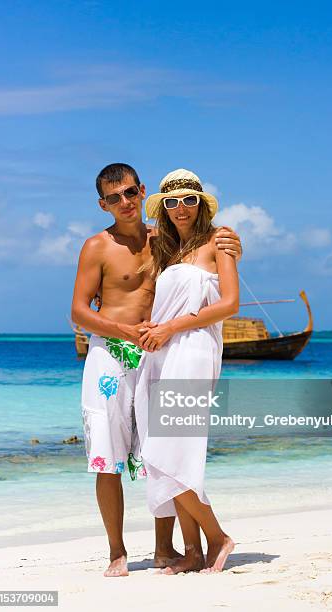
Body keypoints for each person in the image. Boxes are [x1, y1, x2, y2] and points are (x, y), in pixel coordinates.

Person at [71, 163, 242, 577]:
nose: (125, 202)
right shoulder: (97, 246)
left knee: (158, 450)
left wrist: (232, 244)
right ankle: (118, 551)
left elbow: (211, 267)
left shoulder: (163, 239)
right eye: (115, 198)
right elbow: (77, 311)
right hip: (113, 354)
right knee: (107, 456)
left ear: (141, 191)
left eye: (131, 193)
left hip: (159, 352)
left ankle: (169, 548)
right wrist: (121, 330)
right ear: (103, 204)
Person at [135, 169, 239, 574]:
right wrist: (151, 328)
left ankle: (218, 538)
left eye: (188, 200)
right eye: (172, 202)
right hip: (162, 351)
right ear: (164, 207)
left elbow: (229, 304)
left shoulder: (220, 241)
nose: (181, 208)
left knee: (172, 450)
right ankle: (192, 550)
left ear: (201, 205)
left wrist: (171, 327)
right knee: (166, 454)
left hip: (193, 350)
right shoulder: (167, 251)